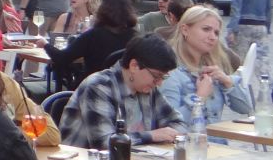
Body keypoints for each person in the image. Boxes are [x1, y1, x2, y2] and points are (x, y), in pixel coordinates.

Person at [58, 34, 186, 149]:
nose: (159, 83)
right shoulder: (98, 87)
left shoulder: (148, 88)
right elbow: (104, 143)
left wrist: (167, 133)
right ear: (134, 66)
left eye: (163, 77)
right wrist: (151, 136)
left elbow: (179, 124)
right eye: (156, 76)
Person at [163, 5, 252, 123]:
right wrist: (199, 97)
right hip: (187, 140)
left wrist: (227, 81)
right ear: (185, 30)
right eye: (206, 29)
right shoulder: (171, 71)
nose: (212, 37)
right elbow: (169, 123)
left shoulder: (212, 68)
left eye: (216, 33)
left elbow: (245, 108)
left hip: (216, 140)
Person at [46, 0, 136, 85]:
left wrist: (45, 45)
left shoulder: (93, 35)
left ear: (102, 10)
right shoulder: (134, 37)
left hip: (91, 87)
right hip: (121, 88)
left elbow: (62, 58)